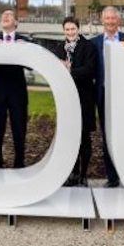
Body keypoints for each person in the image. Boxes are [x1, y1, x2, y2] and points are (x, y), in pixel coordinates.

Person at [90, 6, 124, 188]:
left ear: (118, 20)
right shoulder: (94, 43)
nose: (111, 22)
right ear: (102, 21)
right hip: (103, 96)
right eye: (107, 19)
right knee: (107, 135)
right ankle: (112, 177)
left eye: (113, 18)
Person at [51, 16, 97, 186]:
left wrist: (71, 69)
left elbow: (90, 70)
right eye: (67, 29)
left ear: (78, 29)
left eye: (73, 29)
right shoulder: (58, 48)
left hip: (84, 97)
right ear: (64, 30)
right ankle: (72, 173)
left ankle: (83, 174)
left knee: (84, 137)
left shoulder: (88, 47)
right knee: (69, 138)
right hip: (66, 98)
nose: (70, 32)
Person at [0, 9, 31, 168]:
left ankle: (19, 163)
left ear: (16, 23)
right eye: (3, 15)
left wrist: (25, 49)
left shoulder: (24, 41)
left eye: (10, 15)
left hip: (17, 93)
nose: (5, 16)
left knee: (19, 131)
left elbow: (31, 66)